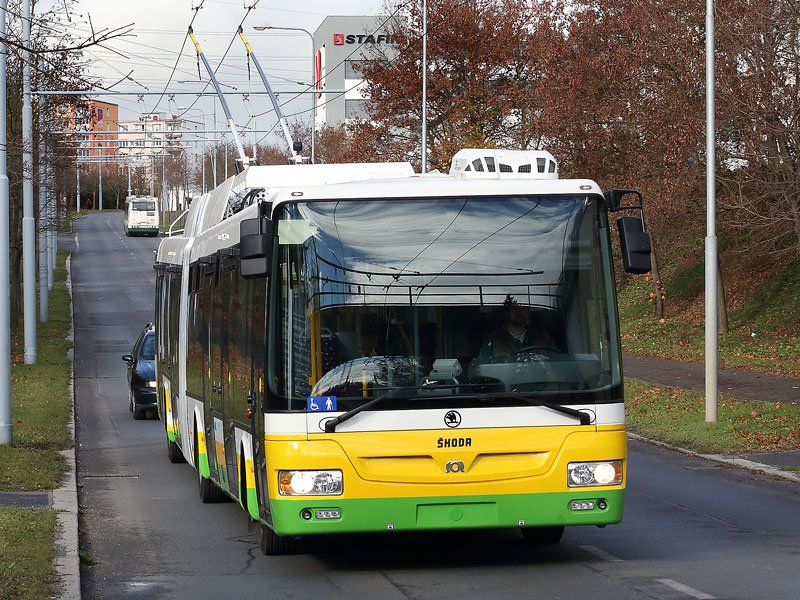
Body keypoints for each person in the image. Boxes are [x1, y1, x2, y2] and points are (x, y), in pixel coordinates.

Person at [479, 296, 555, 358]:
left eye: (523, 308)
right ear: (506, 313)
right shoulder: (492, 341)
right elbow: (483, 372)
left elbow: (557, 367)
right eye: (514, 308)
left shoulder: (543, 339)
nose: (519, 312)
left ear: (528, 311)